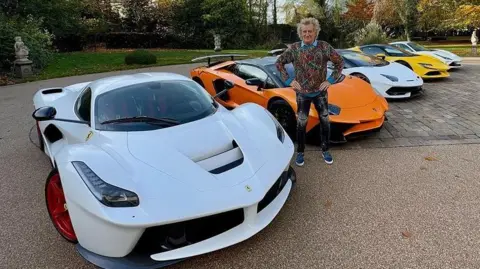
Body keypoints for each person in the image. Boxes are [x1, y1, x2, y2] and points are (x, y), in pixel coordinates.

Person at [275, 17, 344, 167]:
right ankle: (300, 152)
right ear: (300, 33)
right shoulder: (294, 49)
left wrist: (330, 80)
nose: (307, 34)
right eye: (304, 31)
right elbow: (279, 63)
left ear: (315, 32)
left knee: (325, 121)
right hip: (302, 94)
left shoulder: (324, 47)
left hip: (320, 92)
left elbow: (340, 62)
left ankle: (325, 150)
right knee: (301, 123)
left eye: (310, 31)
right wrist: (288, 81)